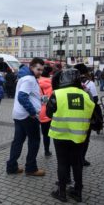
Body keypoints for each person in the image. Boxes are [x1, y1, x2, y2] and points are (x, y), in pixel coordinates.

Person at [46, 69, 97, 202]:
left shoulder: (57, 94)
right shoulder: (87, 95)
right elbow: (93, 114)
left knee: (62, 163)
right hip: (79, 136)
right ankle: (78, 192)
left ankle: (61, 192)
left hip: (60, 135)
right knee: (77, 164)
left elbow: (48, 114)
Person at [6, 57, 45, 176]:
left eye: (42, 70)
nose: (40, 72)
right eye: (38, 69)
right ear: (31, 67)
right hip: (28, 116)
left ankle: (12, 167)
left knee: (17, 141)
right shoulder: (29, 79)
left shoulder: (24, 77)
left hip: (19, 115)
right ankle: (31, 168)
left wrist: (40, 100)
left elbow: (28, 95)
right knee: (34, 141)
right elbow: (22, 97)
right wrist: (33, 112)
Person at [74, 63, 98, 167]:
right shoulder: (90, 83)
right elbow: (95, 100)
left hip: (73, 114)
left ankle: (73, 158)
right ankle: (81, 159)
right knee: (85, 139)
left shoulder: (71, 83)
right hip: (86, 115)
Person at [38, 65, 53, 157]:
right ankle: (47, 151)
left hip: (36, 110)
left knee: (34, 134)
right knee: (46, 134)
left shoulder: (36, 82)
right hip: (47, 111)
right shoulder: (52, 83)